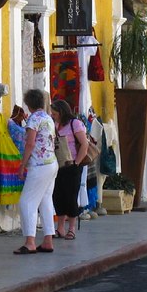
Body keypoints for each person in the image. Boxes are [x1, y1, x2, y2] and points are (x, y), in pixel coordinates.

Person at [14, 88, 58, 255]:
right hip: (51, 163)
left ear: (29, 104)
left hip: (39, 165)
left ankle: (30, 242)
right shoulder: (48, 118)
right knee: (46, 200)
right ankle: (48, 240)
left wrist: (22, 165)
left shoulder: (33, 119)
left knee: (26, 202)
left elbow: (30, 143)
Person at [50, 99, 89, 240]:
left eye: (54, 113)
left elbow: (84, 144)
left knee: (71, 197)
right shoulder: (54, 125)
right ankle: (60, 228)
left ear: (61, 112)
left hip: (72, 165)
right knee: (57, 196)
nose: (52, 115)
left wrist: (76, 163)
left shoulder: (75, 124)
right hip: (57, 165)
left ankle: (71, 228)